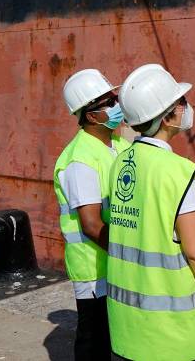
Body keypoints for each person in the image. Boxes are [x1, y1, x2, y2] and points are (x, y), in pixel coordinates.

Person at [106, 64, 195, 361]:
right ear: (168, 116)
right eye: (182, 102)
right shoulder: (180, 173)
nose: (187, 108)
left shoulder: (120, 163)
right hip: (172, 337)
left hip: (126, 329)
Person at [53, 68, 131, 360]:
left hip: (113, 263)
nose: (116, 106)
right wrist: (128, 255)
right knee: (94, 340)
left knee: (114, 337)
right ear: (90, 115)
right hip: (94, 269)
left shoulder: (119, 144)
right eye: (108, 103)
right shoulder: (79, 160)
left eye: (114, 98)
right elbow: (90, 224)